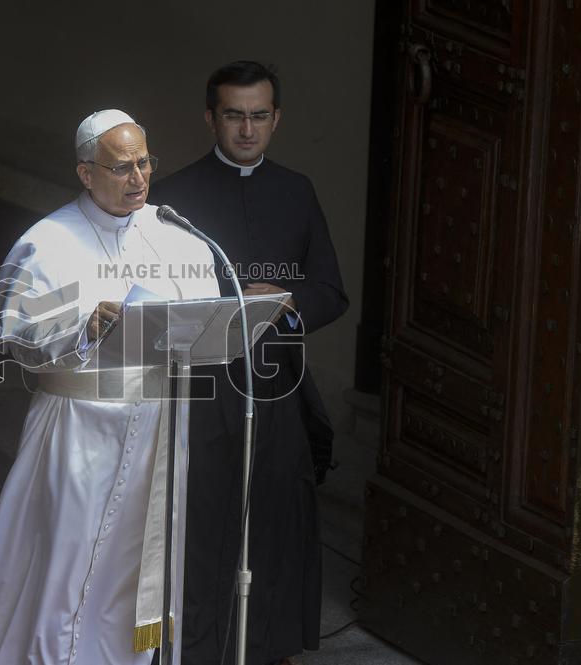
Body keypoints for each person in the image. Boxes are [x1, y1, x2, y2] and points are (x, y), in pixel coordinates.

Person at [0, 110, 220, 665]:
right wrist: (83, 325)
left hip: (156, 433)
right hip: (77, 430)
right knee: (63, 564)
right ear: (85, 172)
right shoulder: (47, 240)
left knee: (137, 572)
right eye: (121, 167)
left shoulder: (178, 237)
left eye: (145, 163)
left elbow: (205, 323)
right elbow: (12, 337)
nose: (138, 179)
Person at [149, 61, 349, 665]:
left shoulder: (297, 190)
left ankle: (270, 647)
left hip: (277, 386)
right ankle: (197, 649)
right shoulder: (174, 197)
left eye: (259, 116)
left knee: (273, 516)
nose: (246, 130)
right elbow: (150, 296)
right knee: (204, 518)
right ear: (211, 117)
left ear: (276, 120)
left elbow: (330, 291)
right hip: (201, 388)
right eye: (233, 115)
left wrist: (287, 303)